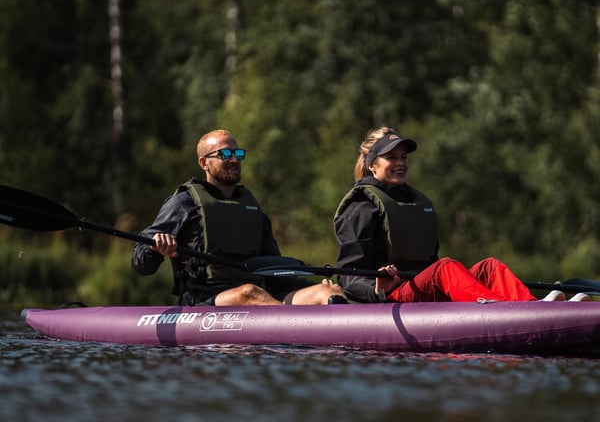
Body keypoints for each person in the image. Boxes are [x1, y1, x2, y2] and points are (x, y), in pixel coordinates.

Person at [334, 126, 590, 303]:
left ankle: (530, 306)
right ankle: (497, 309)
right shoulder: (361, 207)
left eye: (403, 157)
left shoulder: (414, 201)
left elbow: (427, 261)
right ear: (372, 165)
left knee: (489, 267)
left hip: (418, 289)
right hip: (391, 295)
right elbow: (348, 277)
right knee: (446, 267)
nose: (401, 163)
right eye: (391, 157)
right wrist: (378, 290)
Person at [132, 129, 348, 306]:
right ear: (204, 163)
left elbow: (270, 265)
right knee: (250, 293)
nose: (234, 160)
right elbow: (141, 264)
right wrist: (155, 248)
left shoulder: (251, 208)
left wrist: (303, 284)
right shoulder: (183, 203)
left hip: (261, 293)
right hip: (204, 298)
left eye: (238, 154)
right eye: (225, 155)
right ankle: (292, 330)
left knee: (327, 292)